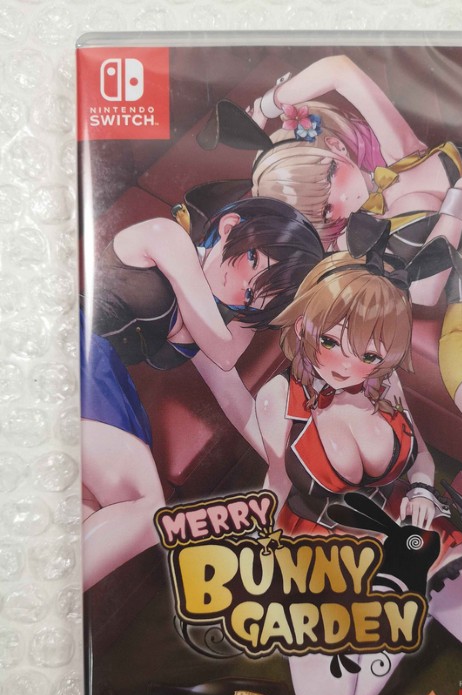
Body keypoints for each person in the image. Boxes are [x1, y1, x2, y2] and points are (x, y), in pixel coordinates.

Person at [256, 249, 462, 695]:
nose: (346, 365)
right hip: (325, 548)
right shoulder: (276, 399)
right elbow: (278, 483)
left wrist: (423, 490)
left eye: (369, 354)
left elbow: (421, 458)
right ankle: (413, 606)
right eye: (331, 341)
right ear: (306, 322)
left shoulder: (383, 382)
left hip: (408, 527)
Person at [201, 55, 462, 456]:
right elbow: (425, 291)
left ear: (335, 148)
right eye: (323, 214)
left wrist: (266, 105)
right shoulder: (359, 240)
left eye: (329, 180)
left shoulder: (403, 151)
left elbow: (340, 70)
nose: (340, 204)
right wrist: (460, 198)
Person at [81, 193, 324, 590]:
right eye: (252, 262)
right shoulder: (165, 237)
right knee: (145, 509)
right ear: (230, 227)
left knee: (87, 511)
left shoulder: (209, 322)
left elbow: (233, 399)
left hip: (106, 386)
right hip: (73, 350)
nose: (241, 288)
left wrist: (289, 466)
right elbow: (224, 353)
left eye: (254, 296)